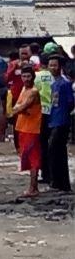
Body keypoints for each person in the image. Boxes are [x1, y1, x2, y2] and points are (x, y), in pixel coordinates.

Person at [11, 65, 42, 197]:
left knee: (33, 158)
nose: (26, 79)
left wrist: (19, 109)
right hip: (23, 127)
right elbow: (17, 107)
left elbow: (19, 107)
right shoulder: (24, 89)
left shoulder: (34, 91)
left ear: (33, 77)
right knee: (26, 157)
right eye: (24, 76)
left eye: (28, 76)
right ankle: (32, 187)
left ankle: (33, 188)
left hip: (32, 129)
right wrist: (18, 109)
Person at [48, 54, 74, 192]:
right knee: (55, 151)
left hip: (62, 120)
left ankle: (62, 183)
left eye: (55, 65)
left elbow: (70, 102)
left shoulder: (65, 83)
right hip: (54, 119)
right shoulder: (54, 83)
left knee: (56, 150)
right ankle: (57, 182)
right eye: (50, 65)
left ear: (60, 67)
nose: (52, 68)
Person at [36, 53, 54, 184]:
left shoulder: (37, 77)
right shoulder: (56, 77)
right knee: (52, 144)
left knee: (42, 144)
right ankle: (52, 173)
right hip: (53, 112)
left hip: (40, 113)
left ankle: (45, 173)